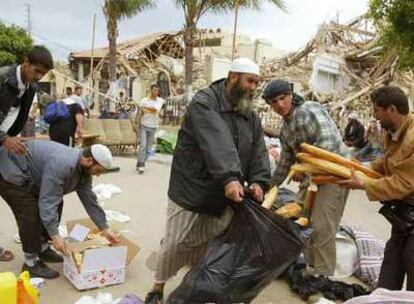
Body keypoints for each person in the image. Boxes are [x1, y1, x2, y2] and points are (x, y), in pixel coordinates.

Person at [144, 58, 271, 304]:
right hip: (192, 189)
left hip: (226, 192)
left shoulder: (250, 115)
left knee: (209, 244)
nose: (254, 87)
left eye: (257, 83)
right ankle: (157, 288)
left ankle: (193, 287)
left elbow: (258, 150)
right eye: (250, 81)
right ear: (233, 77)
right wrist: (230, 177)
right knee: (175, 242)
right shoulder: (204, 102)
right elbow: (217, 141)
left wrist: (259, 181)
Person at [262, 79, 349, 278]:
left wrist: (304, 170)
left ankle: (322, 274)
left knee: (322, 226)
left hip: (333, 175)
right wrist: (271, 184)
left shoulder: (309, 110)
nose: (280, 105)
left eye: (283, 98)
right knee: (303, 220)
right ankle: (311, 267)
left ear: (291, 95)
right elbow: (286, 159)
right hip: (312, 177)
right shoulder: (286, 128)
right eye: (274, 102)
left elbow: (327, 145)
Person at [0, 141, 119, 279]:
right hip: (10, 170)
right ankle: (31, 263)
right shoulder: (63, 164)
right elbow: (47, 201)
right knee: (30, 212)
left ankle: (43, 249)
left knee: (57, 203)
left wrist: (104, 227)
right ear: (88, 160)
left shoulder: (84, 171)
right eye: (98, 171)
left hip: (31, 172)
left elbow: (89, 200)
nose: (98, 175)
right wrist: (55, 235)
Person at [338, 86, 414, 291]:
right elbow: (387, 163)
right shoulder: (391, 133)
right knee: (389, 271)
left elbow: (404, 183)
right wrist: (361, 168)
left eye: (377, 111)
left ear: (391, 109)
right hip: (403, 220)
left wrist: (364, 184)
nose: (374, 116)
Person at [0, 45, 53, 154]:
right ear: (26, 62)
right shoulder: (3, 78)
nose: (39, 77)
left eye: (43, 73)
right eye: (37, 71)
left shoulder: (31, 88)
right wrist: (4, 138)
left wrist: (12, 138)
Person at [136, 84, 165, 174]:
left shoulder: (160, 101)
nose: (155, 92)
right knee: (143, 146)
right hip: (144, 125)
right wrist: (137, 124)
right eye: (154, 90)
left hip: (153, 126)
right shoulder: (144, 100)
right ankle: (141, 165)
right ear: (151, 90)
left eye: (157, 90)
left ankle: (140, 162)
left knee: (148, 149)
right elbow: (140, 111)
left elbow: (155, 110)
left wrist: (144, 107)